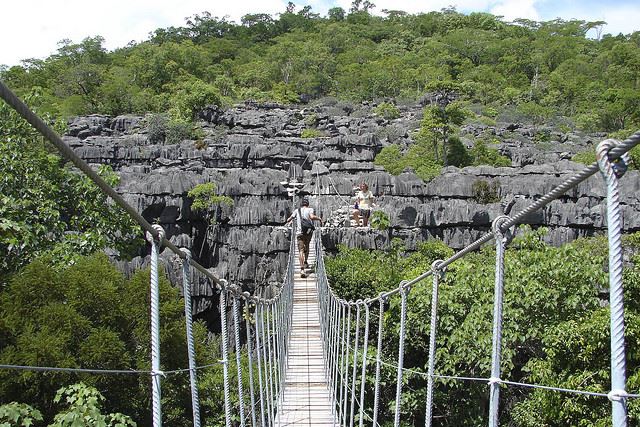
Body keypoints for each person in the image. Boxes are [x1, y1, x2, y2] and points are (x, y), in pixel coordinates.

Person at [286, 198, 322, 278]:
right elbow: (312, 217)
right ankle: (305, 261)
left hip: (299, 233)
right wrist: (319, 218)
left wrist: (291, 220)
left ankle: (302, 269)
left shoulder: (296, 211)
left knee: (301, 251)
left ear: (302, 204)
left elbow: (288, 219)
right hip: (308, 233)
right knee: (307, 246)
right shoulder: (310, 209)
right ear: (308, 204)